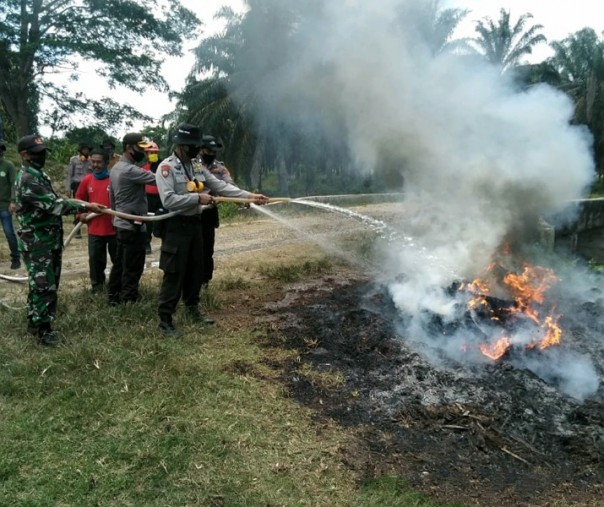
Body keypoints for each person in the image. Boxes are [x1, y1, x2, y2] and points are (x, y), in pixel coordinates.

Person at [155, 123, 269, 337]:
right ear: (182, 146)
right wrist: (198, 198)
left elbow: (219, 185)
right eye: (194, 147)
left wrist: (250, 196)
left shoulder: (196, 166)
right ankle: (165, 319)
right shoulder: (166, 168)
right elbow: (168, 200)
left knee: (195, 269)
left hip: (195, 225)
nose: (198, 151)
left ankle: (192, 309)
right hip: (177, 227)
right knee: (174, 273)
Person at [14, 135, 104, 346]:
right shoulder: (28, 179)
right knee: (44, 286)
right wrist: (86, 206)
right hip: (37, 243)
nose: (42, 157)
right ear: (24, 155)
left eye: (43, 153)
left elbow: (58, 201)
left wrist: (84, 205)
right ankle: (43, 332)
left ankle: (34, 323)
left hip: (47, 241)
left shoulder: (38, 174)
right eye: (37, 154)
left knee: (41, 284)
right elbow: (55, 205)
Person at [107, 132, 156, 306]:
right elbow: (159, 181)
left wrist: (116, 218)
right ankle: (129, 299)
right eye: (140, 149)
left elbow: (111, 198)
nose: (143, 153)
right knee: (133, 264)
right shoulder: (130, 170)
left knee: (120, 262)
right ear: (129, 148)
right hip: (132, 225)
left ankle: (114, 296)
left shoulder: (115, 169)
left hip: (122, 222)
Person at [193, 135, 233, 288]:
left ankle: (205, 281)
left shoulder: (220, 167)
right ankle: (192, 281)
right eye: (208, 150)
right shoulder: (192, 165)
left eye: (214, 151)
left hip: (209, 213)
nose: (212, 154)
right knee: (194, 249)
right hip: (194, 212)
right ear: (201, 149)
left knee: (207, 248)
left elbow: (228, 183)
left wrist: (244, 197)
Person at [75, 148, 117, 292]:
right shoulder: (87, 180)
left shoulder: (114, 179)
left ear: (106, 163)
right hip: (95, 229)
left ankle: (117, 287)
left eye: (99, 162)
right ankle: (97, 288)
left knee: (118, 260)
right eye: (93, 162)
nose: (95, 165)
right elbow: (78, 200)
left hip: (114, 228)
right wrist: (80, 215)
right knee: (95, 261)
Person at [0, 139, 21, 269]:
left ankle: (16, 258)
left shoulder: (8, 166)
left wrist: (13, 201)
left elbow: (14, 184)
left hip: (5, 206)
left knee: (9, 232)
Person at [66, 141, 93, 239]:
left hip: (89, 186)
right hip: (77, 185)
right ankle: (77, 230)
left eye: (87, 150)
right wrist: (68, 189)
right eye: (84, 149)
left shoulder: (91, 160)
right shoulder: (73, 160)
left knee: (90, 206)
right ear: (80, 151)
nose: (86, 151)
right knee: (77, 207)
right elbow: (69, 175)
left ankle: (91, 229)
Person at [142, 141, 162, 254]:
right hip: (148, 197)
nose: (153, 154)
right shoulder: (144, 168)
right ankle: (146, 244)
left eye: (155, 152)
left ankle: (165, 241)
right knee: (148, 222)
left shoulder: (163, 165)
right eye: (150, 152)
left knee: (164, 219)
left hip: (161, 197)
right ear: (146, 154)